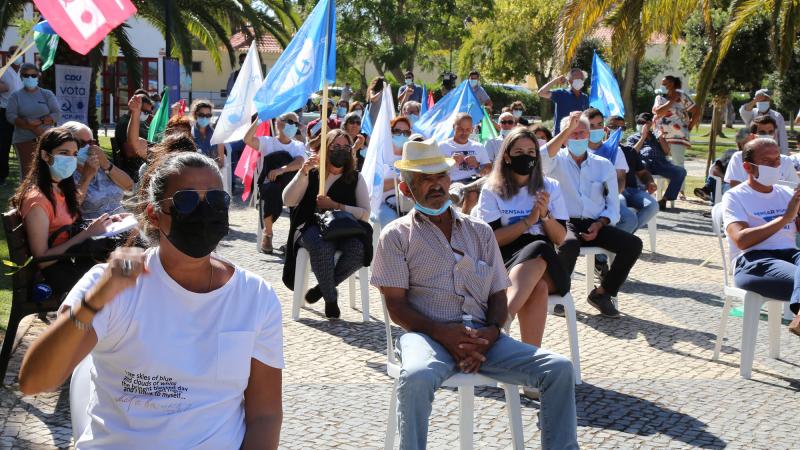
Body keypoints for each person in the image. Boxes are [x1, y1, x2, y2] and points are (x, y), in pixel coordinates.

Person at [18, 151, 284, 448]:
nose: (204, 211)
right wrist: (95, 301)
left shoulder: (255, 296)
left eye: (216, 201)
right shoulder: (109, 286)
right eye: (186, 200)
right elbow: (35, 381)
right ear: (154, 214)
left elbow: (265, 415)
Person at [371, 137, 578, 449]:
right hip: (426, 335)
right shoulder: (396, 237)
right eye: (424, 180)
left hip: (485, 338)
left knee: (559, 369)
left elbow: (498, 293)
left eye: (441, 176)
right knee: (415, 376)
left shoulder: (480, 232)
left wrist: (493, 331)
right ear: (405, 189)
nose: (436, 185)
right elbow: (396, 306)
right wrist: (445, 334)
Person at [476, 128, 570, 355]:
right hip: (506, 260)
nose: (526, 157)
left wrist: (545, 214)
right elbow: (493, 239)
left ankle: (497, 324)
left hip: (548, 261)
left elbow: (560, 238)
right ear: (506, 156)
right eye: (519, 151)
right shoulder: (491, 189)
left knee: (540, 248)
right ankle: (529, 367)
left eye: (531, 152)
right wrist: (529, 221)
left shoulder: (550, 187)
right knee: (537, 288)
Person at [542, 113, 643, 317]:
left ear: (589, 135)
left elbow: (613, 204)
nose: (578, 137)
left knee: (633, 244)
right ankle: (560, 294)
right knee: (569, 245)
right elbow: (541, 158)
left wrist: (601, 222)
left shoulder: (602, 164)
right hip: (564, 221)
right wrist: (566, 130)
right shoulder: (556, 161)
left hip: (594, 222)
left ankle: (603, 293)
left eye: (582, 133)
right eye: (573, 133)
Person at [9, 127, 118, 293]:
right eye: (64, 153)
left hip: (71, 263)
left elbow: (70, 212)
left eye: (74, 154)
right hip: (57, 275)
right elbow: (42, 259)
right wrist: (86, 234)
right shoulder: (37, 200)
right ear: (45, 156)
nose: (71, 159)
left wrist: (112, 222)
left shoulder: (58, 187)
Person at [282, 129, 372, 319]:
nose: (341, 150)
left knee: (359, 249)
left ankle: (322, 289)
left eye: (346, 147)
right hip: (310, 226)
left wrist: (337, 206)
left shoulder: (355, 178)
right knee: (322, 245)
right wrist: (302, 173)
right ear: (326, 149)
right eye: (336, 146)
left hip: (344, 228)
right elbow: (288, 200)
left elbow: (365, 214)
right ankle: (331, 299)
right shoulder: (312, 173)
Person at [721, 137, 800, 336]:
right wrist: (785, 218)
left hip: (791, 255)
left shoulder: (787, 192)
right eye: (767, 162)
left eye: (777, 161)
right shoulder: (735, 196)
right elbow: (741, 239)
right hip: (753, 260)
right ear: (748, 168)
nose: (775, 166)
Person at [244, 113, 307, 254]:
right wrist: (259, 120)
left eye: (296, 124)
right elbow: (247, 139)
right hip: (270, 183)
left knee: (302, 196)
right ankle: (268, 234)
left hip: (290, 184)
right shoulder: (268, 142)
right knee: (271, 190)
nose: (293, 126)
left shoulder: (298, 145)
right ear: (278, 123)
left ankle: (293, 239)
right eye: (290, 122)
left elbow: (300, 162)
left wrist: (281, 170)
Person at [61, 121, 134, 219]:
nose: (88, 147)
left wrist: (107, 165)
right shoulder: (64, 172)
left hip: (122, 224)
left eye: (91, 142)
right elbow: (69, 209)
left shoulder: (101, 164)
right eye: (81, 143)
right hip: (94, 230)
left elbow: (129, 187)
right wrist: (86, 177)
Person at [5, 62, 60, 176]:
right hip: (23, 140)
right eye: (26, 75)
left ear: (38, 76)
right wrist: (27, 124)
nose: (30, 78)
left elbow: (57, 113)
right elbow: (10, 116)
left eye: (33, 75)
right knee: (28, 173)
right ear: (21, 77)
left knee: (48, 172)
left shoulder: (47, 94)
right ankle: (25, 194)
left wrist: (41, 122)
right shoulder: (15, 96)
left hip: (46, 139)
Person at [627, 112, 687, 210]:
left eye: (644, 123)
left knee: (680, 171)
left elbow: (667, 151)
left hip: (660, 163)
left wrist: (660, 137)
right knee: (637, 169)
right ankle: (639, 200)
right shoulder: (633, 138)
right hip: (643, 164)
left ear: (651, 123)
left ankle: (664, 199)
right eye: (640, 123)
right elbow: (632, 153)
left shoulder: (656, 135)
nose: (642, 125)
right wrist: (642, 137)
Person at [652, 76, 698, 196]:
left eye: (665, 83)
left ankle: (680, 190)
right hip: (662, 134)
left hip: (678, 135)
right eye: (662, 84)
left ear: (672, 84)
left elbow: (696, 111)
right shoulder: (660, 98)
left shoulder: (683, 96)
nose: (663, 86)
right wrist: (672, 100)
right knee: (664, 162)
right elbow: (658, 112)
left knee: (678, 162)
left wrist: (690, 126)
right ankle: (669, 189)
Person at [438, 113, 491, 214]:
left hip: (476, 182)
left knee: (493, 180)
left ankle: (461, 191)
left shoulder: (478, 146)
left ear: (472, 129)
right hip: (454, 183)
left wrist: (477, 165)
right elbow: (434, 171)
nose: (464, 133)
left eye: (467, 130)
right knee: (471, 194)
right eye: (460, 129)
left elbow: (489, 171)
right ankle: (463, 224)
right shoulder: (442, 146)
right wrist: (449, 162)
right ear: (454, 127)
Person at [724, 116, 798, 188]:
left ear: (775, 135)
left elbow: (794, 187)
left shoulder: (786, 161)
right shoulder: (738, 158)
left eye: (770, 132)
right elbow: (735, 186)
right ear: (753, 136)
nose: (767, 135)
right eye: (762, 132)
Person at [695, 128, 747, 202]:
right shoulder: (730, 153)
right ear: (739, 143)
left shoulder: (758, 157)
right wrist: (727, 179)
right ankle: (707, 190)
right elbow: (715, 170)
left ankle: (706, 190)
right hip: (728, 183)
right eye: (745, 142)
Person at [617, 143, 659, 233]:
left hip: (632, 191)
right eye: (614, 127)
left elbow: (643, 173)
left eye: (621, 128)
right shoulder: (602, 150)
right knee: (621, 202)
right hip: (615, 191)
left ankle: (627, 233)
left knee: (653, 206)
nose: (617, 130)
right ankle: (624, 235)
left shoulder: (630, 151)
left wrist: (650, 182)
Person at [537, 68, 589, 134]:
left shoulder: (585, 98)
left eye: (581, 79)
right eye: (576, 79)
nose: (579, 81)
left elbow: (586, 118)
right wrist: (556, 80)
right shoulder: (561, 93)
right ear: (569, 81)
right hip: (560, 136)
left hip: (577, 136)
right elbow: (541, 93)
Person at [115, 93, 153, 182]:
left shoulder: (138, 123)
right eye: (146, 112)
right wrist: (149, 151)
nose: (147, 115)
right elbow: (130, 152)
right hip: (135, 166)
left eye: (149, 112)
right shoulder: (125, 124)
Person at [739, 89, 788, 155]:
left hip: (772, 152)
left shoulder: (777, 116)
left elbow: (783, 139)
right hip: (754, 152)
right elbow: (743, 111)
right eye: (759, 100)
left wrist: (784, 155)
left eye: (765, 100)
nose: (762, 102)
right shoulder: (751, 114)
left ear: (769, 100)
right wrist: (755, 100)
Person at [0, 45, 23, 185]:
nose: (19, 57)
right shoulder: (3, 71)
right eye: (16, 54)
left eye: (21, 54)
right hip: (4, 113)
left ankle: (25, 173)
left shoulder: (21, 73)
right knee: (3, 144)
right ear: (9, 57)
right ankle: (1, 175)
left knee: (21, 143)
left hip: (19, 114)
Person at [189, 99, 225, 168]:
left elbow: (221, 163)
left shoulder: (217, 137)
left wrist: (208, 168)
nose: (205, 118)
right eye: (201, 115)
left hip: (211, 174)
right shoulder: (189, 135)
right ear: (195, 114)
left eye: (208, 115)